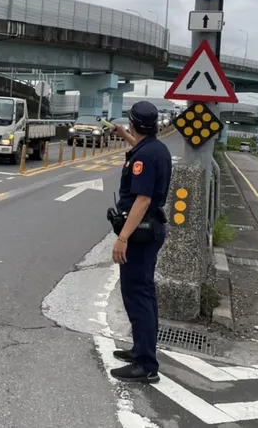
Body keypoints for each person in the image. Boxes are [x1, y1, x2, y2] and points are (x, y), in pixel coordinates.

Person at [109, 101, 171, 383]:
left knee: (137, 296)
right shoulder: (156, 148)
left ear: (134, 123)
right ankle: (140, 350)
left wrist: (123, 238)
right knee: (143, 293)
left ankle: (146, 364)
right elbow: (142, 149)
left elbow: (143, 199)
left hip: (141, 233)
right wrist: (125, 136)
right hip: (151, 229)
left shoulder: (144, 157)